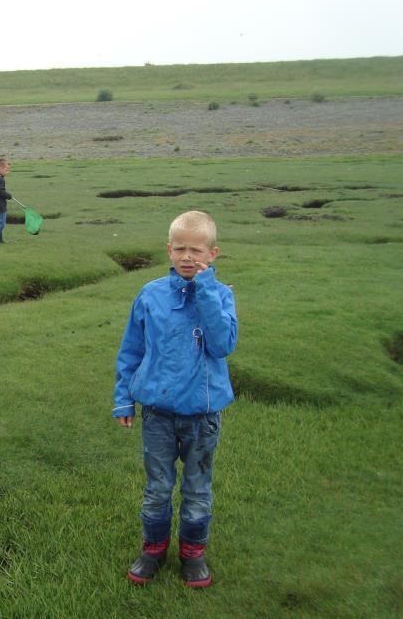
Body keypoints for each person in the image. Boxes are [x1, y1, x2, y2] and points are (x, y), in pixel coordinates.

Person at [111, 211, 237, 588]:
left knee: (197, 489)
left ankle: (192, 553)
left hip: (203, 415)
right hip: (158, 415)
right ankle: (153, 549)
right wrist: (123, 399)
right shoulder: (150, 295)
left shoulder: (221, 294)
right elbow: (131, 350)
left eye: (196, 250)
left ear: (213, 254)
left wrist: (206, 292)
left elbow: (222, 344)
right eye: (180, 248)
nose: (187, 257)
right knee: (158, 488)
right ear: (168, 250)